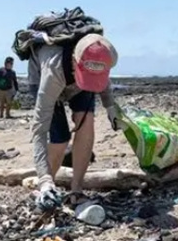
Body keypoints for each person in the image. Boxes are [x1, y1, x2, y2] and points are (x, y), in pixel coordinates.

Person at [28, 33, 119, 209]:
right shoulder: (53, 70)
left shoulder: (98, 63)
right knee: (59, 138)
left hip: (78, 82)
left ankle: (76, 189)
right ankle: (47, 186)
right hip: (44, 79)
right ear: (74, 61)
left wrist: (111, 108)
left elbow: (104, 82)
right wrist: (45, 180)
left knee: (87, 123)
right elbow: (40, 131)